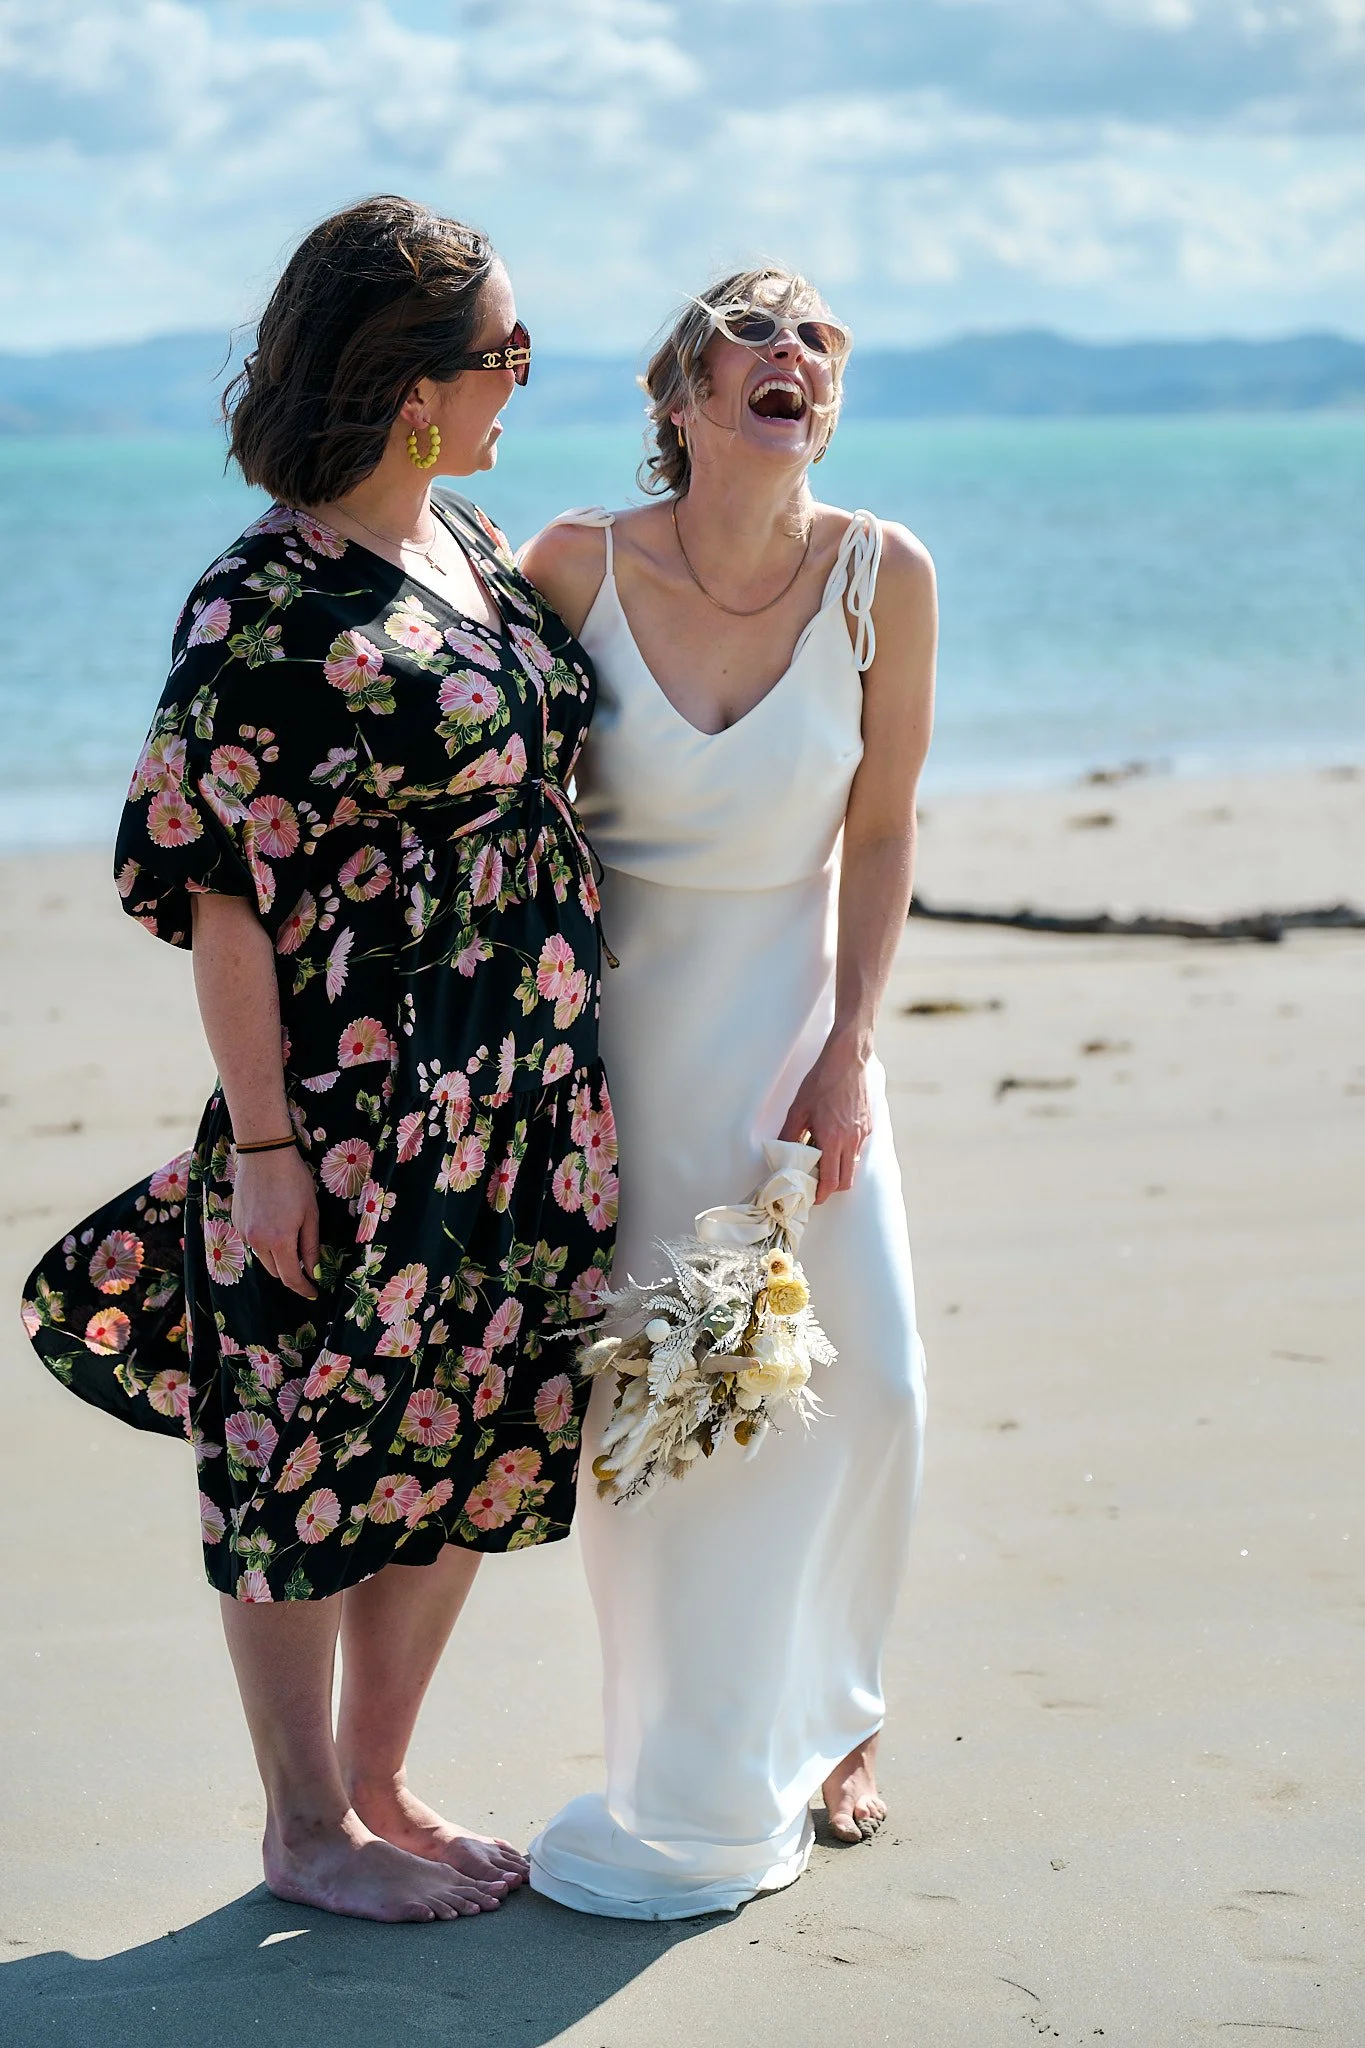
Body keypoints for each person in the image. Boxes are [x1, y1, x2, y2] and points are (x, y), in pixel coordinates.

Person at [20, 196, 616, 1924]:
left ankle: (376, 1782)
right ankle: (298, 1828)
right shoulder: (259, 603)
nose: (521, 377)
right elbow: (216, 895)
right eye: (503, 350)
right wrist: (268, 1146)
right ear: (409, 385)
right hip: (354, 1105)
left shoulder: (479, 547)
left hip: (523, 1094)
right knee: (300, 1447)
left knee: (464, 1430)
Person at [520, 268, 935, 1918]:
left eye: (819, 339)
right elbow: (489, 793)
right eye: (756, 335)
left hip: (797, 1033)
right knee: (667, 1422)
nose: (795, 357)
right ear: (682, 395)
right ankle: (689, 1752)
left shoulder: (880, 575)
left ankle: (841, 1710)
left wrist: (848, 1048)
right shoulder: (570, 563)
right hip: (619, 1047)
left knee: (875, 1382)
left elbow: (887, 827)